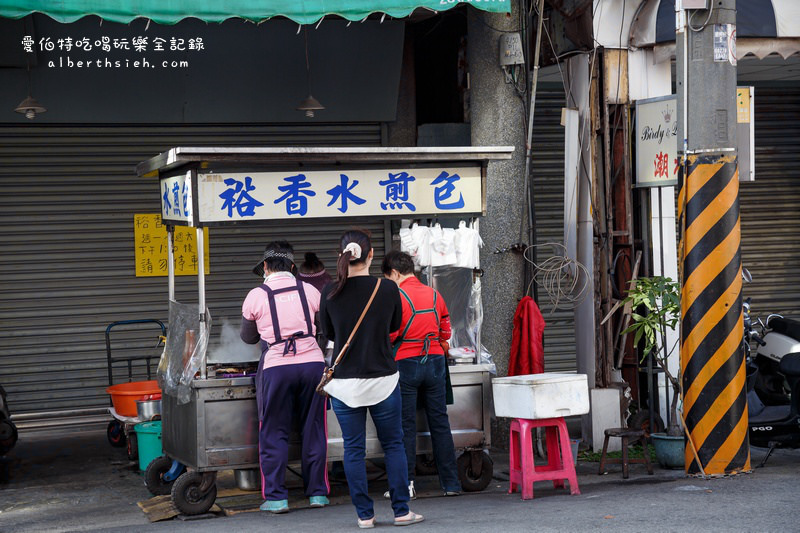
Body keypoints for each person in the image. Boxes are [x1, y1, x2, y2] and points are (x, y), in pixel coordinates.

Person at [319, 230, 424, 528]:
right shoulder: (387, 289)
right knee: (394, 445)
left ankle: (365, 515)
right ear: (371, 255)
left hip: (344, 384)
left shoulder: (329, 292)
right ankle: (402, 511)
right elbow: (395, 326)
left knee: (354, 449)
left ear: (341, 254)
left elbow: (327, 334)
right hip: (384, 380)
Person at [240, 241, 329, 514]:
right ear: (292, 267)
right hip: (313, 364)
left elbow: (248, 337)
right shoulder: (310, 290)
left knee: (274, 432)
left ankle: (277, 498)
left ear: (265, 267)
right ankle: (317, 494)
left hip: (277, 368)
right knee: (314, 429)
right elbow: (324, 330)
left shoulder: (256, 295)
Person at [381, 251, 462, 499]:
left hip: (406, 363)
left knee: (405, 426)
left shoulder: (396, 296)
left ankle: (407, 485)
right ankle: (451, 484)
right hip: (436, 361)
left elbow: (391, 334)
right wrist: (440, 345)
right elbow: (446, 327)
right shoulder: (434, 294)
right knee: (439, 422)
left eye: (388, 277)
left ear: (394, 273)